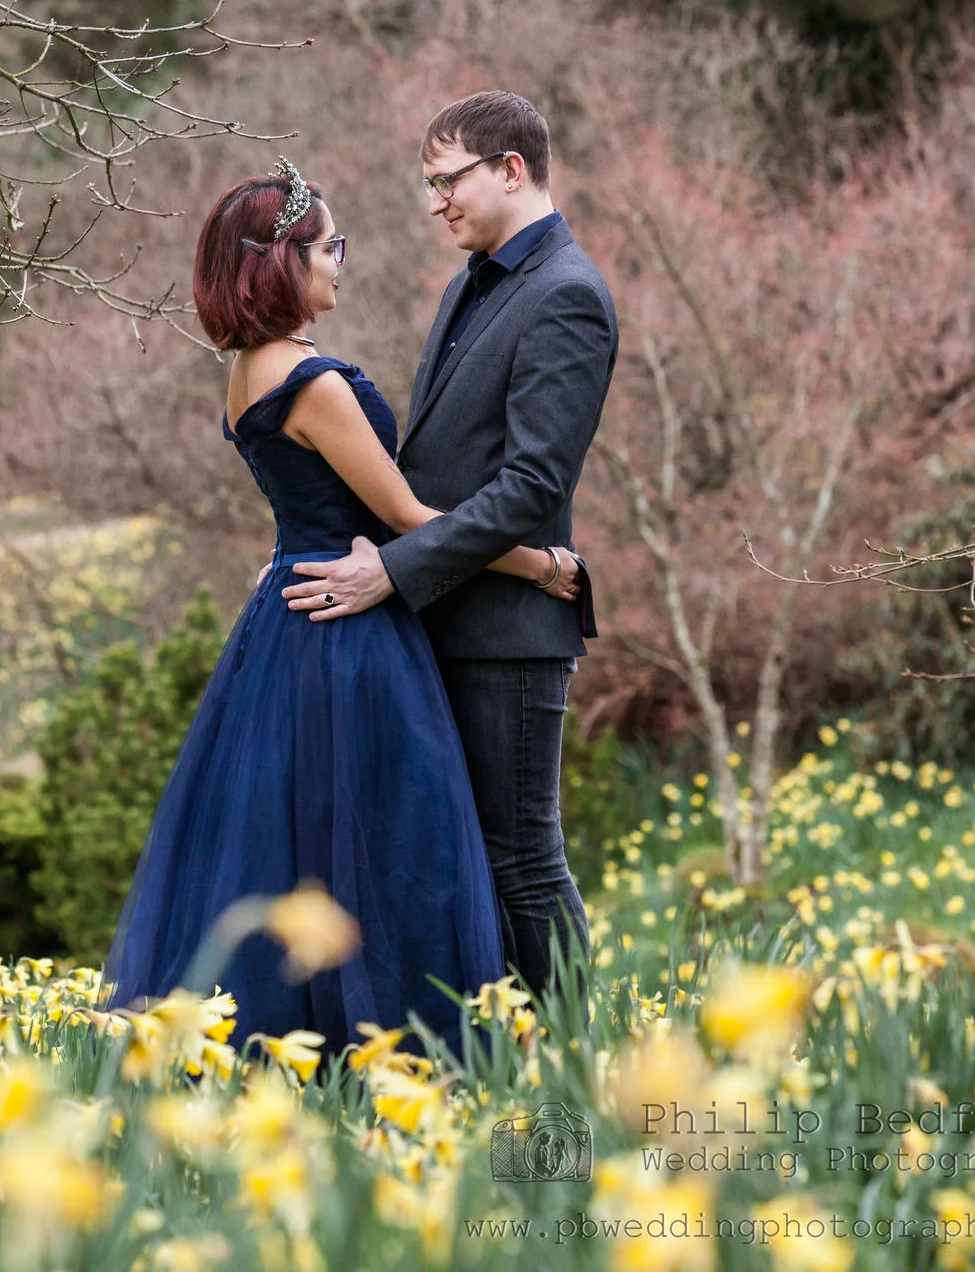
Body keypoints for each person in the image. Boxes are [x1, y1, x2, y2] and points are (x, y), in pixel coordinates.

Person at [99, 157, 584, 1056]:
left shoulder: (246, 371)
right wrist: (540, 564)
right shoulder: (312, 379)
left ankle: (300, 1057)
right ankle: (409, 1055)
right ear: (282, 261)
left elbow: (305, 509)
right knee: (391, 852)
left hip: (287, 621)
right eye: (329, 246)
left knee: (296, 847)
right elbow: (403, 514)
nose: (339, 262)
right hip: (352, 633)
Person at [281, 91, 618, 1010]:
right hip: (442, 620)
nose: (435, 202)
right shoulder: (471, 283)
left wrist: (392, 568)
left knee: (521, 860)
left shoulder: (568, 297)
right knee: (464, 860)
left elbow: (530, 489)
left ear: (512, 170)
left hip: (509, 634)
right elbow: (430, 468)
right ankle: (504, 1059)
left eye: (447, 181)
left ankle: (586, 1065)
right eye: (429, 184)